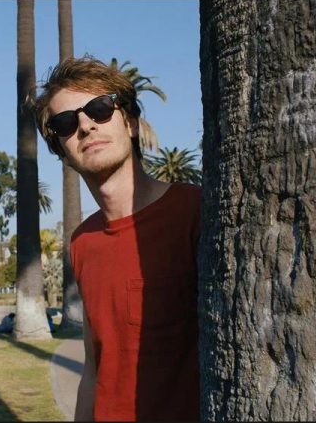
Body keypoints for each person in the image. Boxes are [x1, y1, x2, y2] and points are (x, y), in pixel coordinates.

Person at [33, 56, 200, 421]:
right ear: (62, 152)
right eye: (66, 122)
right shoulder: (82, 243)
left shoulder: (194, 211)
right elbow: (94, 370)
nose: (86, 126)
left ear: (132, 123)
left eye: (100, 109)